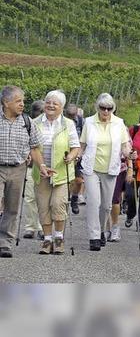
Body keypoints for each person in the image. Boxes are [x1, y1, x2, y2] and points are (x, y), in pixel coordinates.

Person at [0, 85, 53, 258]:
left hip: (18, 169)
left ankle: (5, 244)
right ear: (6, 103)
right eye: (18, 101)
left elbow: (35, 148)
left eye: (23, 101)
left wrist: (42, 167)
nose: (22, 104)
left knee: (12, 208)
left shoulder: (27, 122)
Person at [79, 93, 132, 252]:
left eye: (109, 109)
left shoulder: (119, 123)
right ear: (98, 108)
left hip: (111, 168)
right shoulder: (89, 122)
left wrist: (129, 155)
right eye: (103, 108)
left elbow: (125, 146)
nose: (106, 111)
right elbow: (82, 145)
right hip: (91, 168)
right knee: (94, 202)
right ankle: (94, 236)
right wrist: (75, 158)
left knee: (106, 206)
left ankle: (102, 230)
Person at [32, 90, 81, 255]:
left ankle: (59, 237)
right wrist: (41, 166)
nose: (51, 106)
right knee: (43, 205)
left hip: (61, 172)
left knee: (58, 204)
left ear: (62, 107)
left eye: (55, 103)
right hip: (41, 171)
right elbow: (32, 147)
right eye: (48, 102)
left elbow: (76, 146)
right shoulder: (35, 122)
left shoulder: (68, 124)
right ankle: (47, 239)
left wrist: (71, 157)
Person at [22, 100, 45, 241]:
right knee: (30, 197)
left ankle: (42, 226)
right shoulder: (28, 124)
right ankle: (30, 227)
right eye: (39, 111)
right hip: (31, 166)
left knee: (42, 198)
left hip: (45, 166)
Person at [64, 103, 85, 214]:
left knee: (79, 181)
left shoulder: (82, 122)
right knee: (66, 181)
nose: (71, 117)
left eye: (73, 115)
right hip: (64, 152)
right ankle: (65, 200)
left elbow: (84, 138)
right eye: (69, 115)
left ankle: (75, 198)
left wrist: (80, 153)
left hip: (77, 154)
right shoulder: (61, 120)